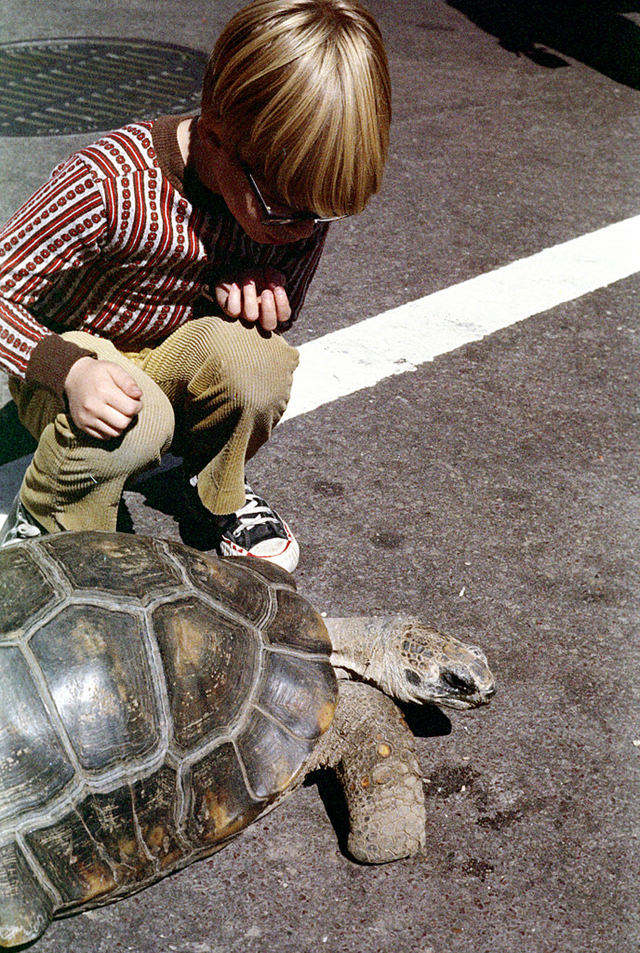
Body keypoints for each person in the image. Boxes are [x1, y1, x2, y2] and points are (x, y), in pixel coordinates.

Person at [0, 0, 391, 571]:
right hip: (73, 359)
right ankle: (52, 522)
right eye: (283, 212)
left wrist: (249, 291)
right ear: (214, 136)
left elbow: (280, 312)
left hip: (166, 356)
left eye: (322, 216)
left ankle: (213, 487)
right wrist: (70, 369)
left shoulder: (293, 199)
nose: (302, 232)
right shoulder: (112, 182)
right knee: (140, 420)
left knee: (260, 362)